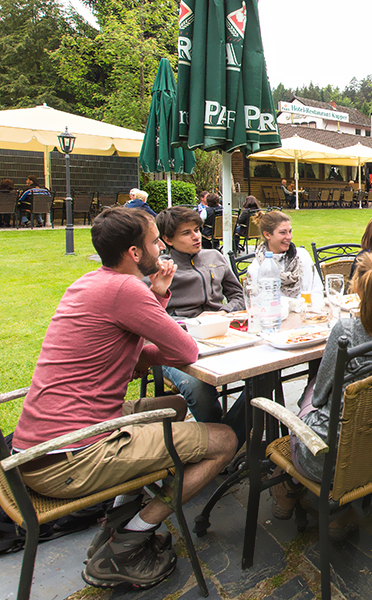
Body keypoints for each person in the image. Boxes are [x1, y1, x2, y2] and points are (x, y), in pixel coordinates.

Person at [12, 206, 237, 590]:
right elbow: (184, 350)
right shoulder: (126, 289)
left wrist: (157, 299)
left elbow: (134, 353)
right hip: (71, 457)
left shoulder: (91, 282)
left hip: (38, 447)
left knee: (174, 406)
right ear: (134, 253)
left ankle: (118, 520)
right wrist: (156, 312)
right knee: (226, 440)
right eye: (155, 242)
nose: (161, 249)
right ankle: (131, 538)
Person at [273, 250, 372, 536]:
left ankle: (288, 483)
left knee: (313, 389)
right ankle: (336, 507)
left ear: (358, 290)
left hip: (330, 462)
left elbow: (319, 399)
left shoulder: (346, 332)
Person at [155, 206, 247, 447]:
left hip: (222, 335)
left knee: (264, 375)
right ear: (168, 240)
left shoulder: (214, 257)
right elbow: (152, 316)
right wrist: (192, 323)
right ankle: (222, 442)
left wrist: (223, 312)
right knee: (197, 386)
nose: (196, 236)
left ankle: (225, 441)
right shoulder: (159, 269)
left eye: (197, 230)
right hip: (177, 343)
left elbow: (238, 295)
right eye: (186, 233)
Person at [247, 210, 323, 301]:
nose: (289, 237)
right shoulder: (257, 268)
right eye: (283, 232)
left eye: (290, 231)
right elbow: (262, 302)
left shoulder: (302, 256)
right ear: (267, 235)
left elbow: (316, 291)